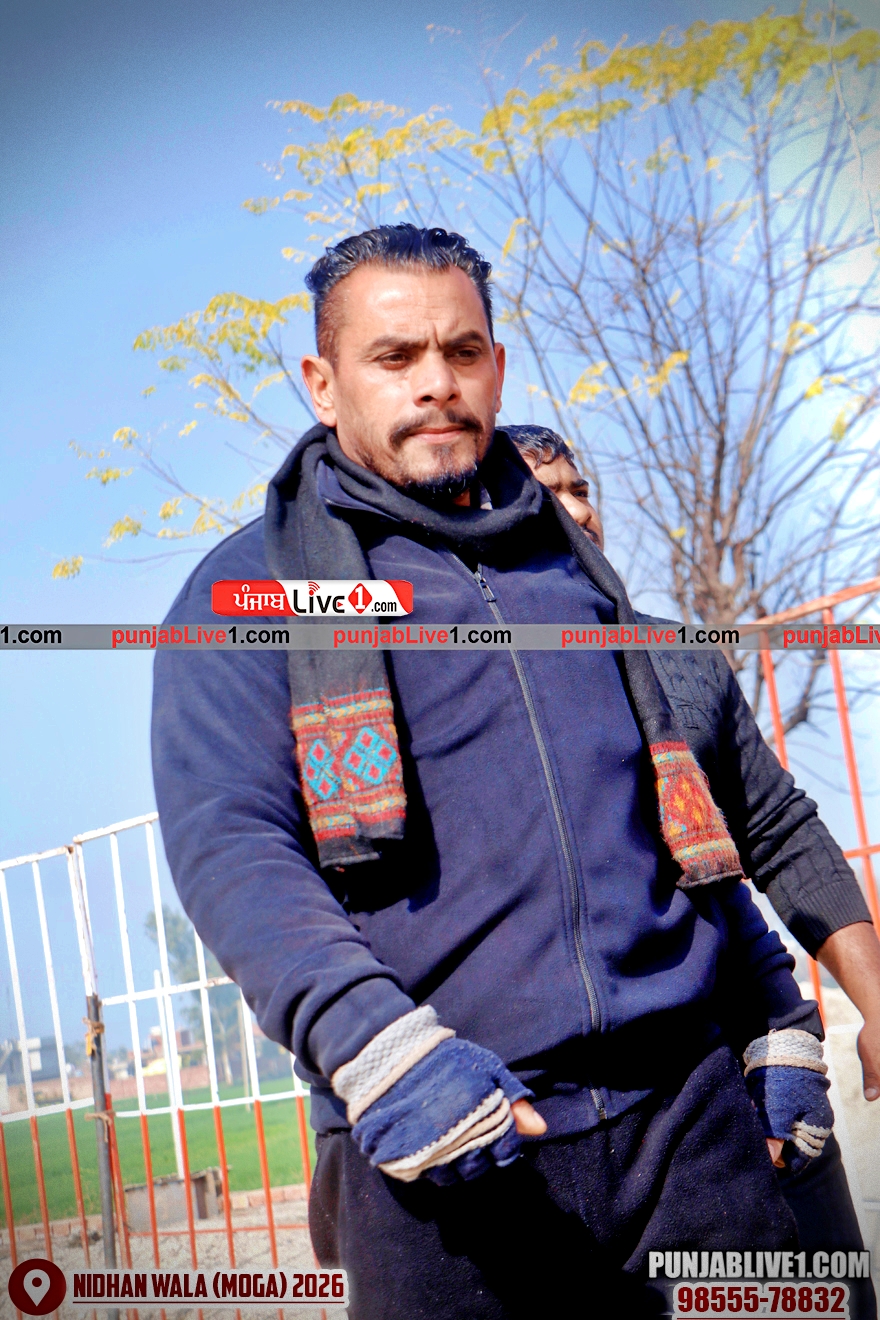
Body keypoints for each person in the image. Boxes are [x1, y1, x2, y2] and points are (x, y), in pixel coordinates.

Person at [152, 225, 854, 1319]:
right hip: (449, 1145)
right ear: (323, 385)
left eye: (463, 351)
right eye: (395, 357)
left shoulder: (575, 576)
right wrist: (379, 1051)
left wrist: (777, 1019)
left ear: (497, 366)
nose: (436, 382)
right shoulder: (255, 592)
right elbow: (232, 843)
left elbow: (696, 824)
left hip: (687, 1122)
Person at [509, 422, 880, 1320]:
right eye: (544, 496)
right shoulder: (468, 684)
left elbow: (779, 829)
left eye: (580, 488)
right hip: (587, 1123)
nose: (578, 511)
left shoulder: (680, 652)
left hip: (763, 1071)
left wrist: (872, 1005)